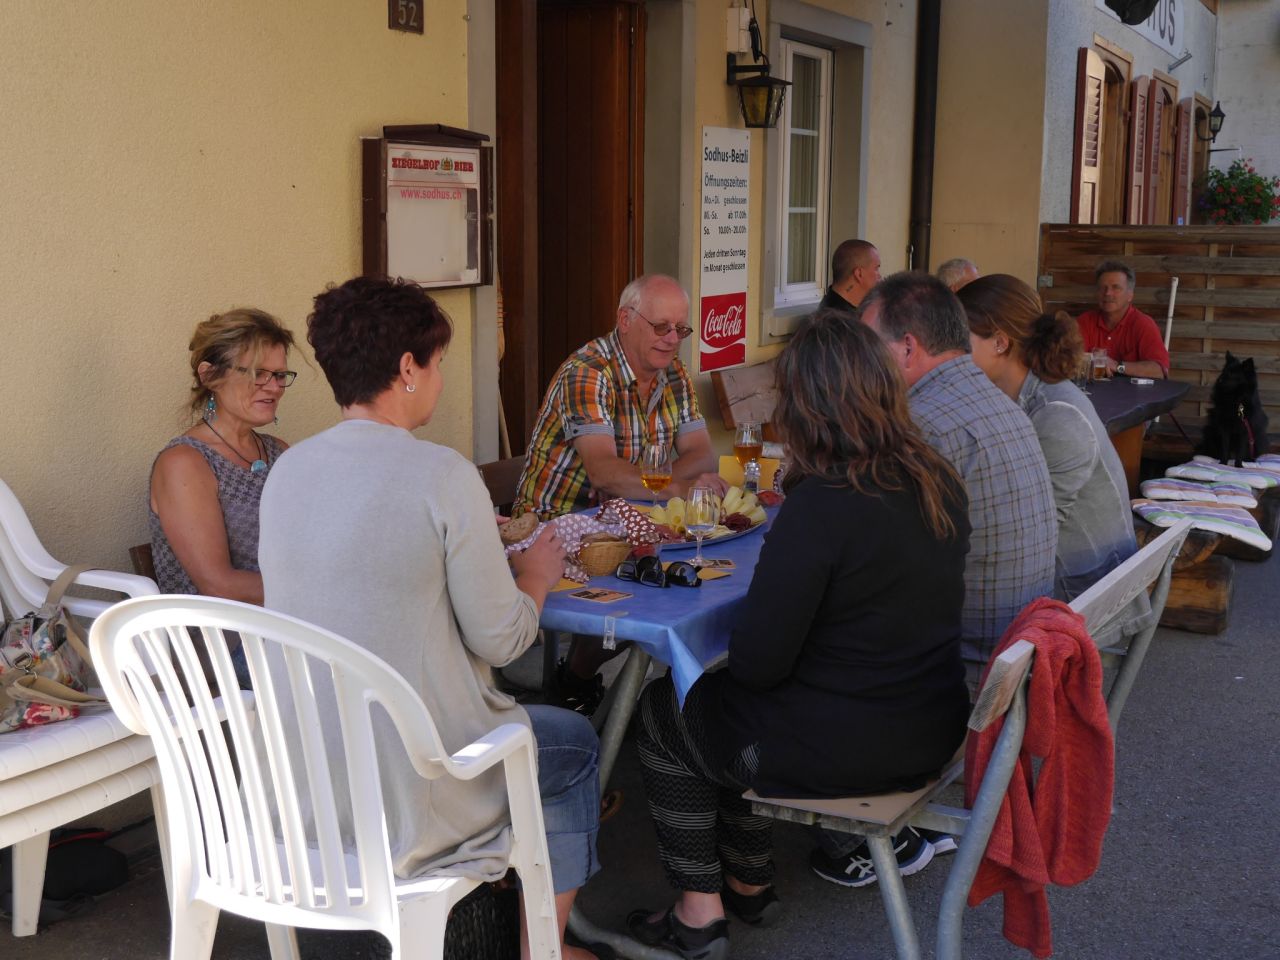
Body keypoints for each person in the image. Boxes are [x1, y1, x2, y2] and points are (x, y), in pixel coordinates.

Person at [258, 276, 605, 960]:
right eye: (440, 361)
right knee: (573, 743)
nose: (441, 376)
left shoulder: (288, 473)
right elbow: (503, 640)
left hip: (307, 777)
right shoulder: (441, 473)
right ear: (408, 368)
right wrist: (536, 573)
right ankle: (545, 946)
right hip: (418, 782)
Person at [626, 310, 971, 959]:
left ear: (809, 409)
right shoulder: (934, 479)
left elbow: (758, 663)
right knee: (726, 703)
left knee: (667, 711)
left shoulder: (824, 504)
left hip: (855, 751)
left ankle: (699, 912)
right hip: (929, 723)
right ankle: (748, 879)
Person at [514, 274, 724, 711]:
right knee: (661, 592)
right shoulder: (588, 373)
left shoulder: (675, 374)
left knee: (691, 581)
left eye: (680, 330)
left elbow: (703, 455)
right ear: (625, 320)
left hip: (628, 519)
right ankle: (576, 683)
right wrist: (678, 486)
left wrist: (656, 482)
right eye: (661, 327)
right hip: (559, 528)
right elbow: (605, 471)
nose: (671, 340)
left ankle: (643, 702)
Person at [860, 272, 1056, 664]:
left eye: (867, 348)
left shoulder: (920, 424)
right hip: (1017, 652)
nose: (860, 362)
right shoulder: (1003, 403)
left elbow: (873, 567)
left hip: (962, 667)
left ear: (907, 348)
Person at [960, 274, 1139, 601]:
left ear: (1000, 342)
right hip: (1069, 579)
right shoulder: (1021, 395)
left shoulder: (1057, 414)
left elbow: (1030, 534)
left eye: (960, 338)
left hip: (1079, 593)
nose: (950, 351)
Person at [148, 308, 297, 686]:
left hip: (286, 626)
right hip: (223, 644)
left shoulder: (279, 451)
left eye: (279, 375)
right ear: (210, 375)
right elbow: (218, 584)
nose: (274, 386)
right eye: (258, 374)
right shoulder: (185, 462)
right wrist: (320, 591)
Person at [1075, 260, 1169, 379]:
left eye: (1116, 288)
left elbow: (1159, 370)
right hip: (1090, 395)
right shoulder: (1084, 321)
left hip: (1134, 396)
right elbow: (1069, 360)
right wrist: (1086, 362)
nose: (1108, 293)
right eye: (1103, 288)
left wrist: (1117, 366)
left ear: (1130, 295)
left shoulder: (1143, 324)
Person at [819, 239, 882, 314]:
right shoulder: (838, 321)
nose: (880, 276)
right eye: (876, 268)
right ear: (859, 274)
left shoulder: (831, 308)